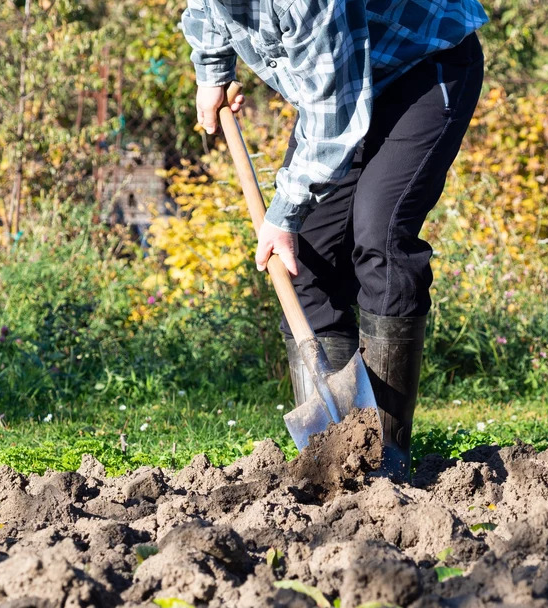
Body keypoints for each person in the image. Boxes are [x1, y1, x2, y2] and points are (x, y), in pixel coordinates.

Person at [182, 0, 487, 480]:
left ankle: (386, 456)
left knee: (380, 235)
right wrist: (212, 71)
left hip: (421, 70)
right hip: (343, 88)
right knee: (307, 260)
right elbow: (203, 9)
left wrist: (283, 216)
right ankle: (333, 458)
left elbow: (332, 119)